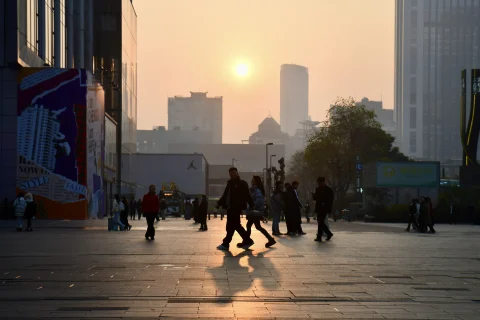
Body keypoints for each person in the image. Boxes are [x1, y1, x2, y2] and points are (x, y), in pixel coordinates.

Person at [216, 167, 255, 250]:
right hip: (230, 208)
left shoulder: (242, 183)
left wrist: (251, 204)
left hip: (236, 207)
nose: (232, 174)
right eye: (231, 173)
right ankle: (245, 241)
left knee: (234, 225)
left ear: (237, 173)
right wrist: (219, 204)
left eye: (234, 172)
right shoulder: (229, 183)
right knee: (232, 226)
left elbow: (247, 195)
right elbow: (225, 195)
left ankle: (227, 243)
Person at [241, 176, 276, 248]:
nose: (251, 181)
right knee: (257, 227)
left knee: (249, 225)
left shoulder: (257, 190)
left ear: (256, 181)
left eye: (253, 180)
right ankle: (270, 239)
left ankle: (247, 242)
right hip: (254, 211)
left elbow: (259, 201)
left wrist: (252, 207)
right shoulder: (255, 189)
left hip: (254, 212)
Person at [313, 177, 334, 242]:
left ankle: (319, 237)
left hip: (325, 208)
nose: (319, 184)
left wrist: (329, 209)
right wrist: (313, 196)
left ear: (324, 182)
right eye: (318, 183)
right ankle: (329, 233)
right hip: (319, 208)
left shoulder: (329, 190)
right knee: (320, 222)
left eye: (320, 182)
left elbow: (331, 200)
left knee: (321, 222)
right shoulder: (317, 189)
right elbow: (316, 199)